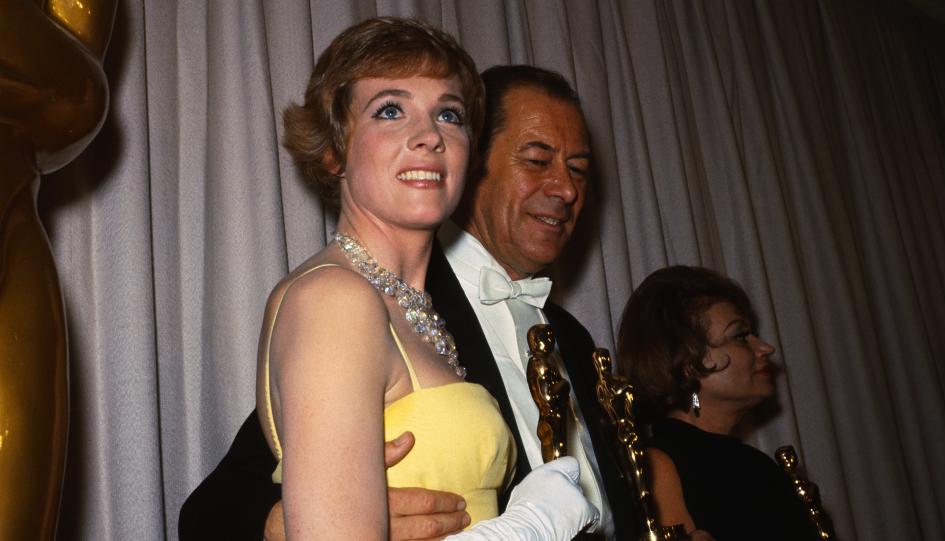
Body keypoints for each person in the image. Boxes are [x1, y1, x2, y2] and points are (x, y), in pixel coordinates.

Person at [180, 60, 640, 540]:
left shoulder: (574, 337)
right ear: (476, 164)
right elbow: (209, 514)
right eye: (537, 160)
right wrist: (291, 522)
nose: (565, 190)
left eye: (578, 170)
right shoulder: (378, 308)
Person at [616, 265, 822, 541]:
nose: (765, 348)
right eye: (740, 336)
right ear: (687, 362)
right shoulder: (659, 466)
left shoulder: (757, 465)